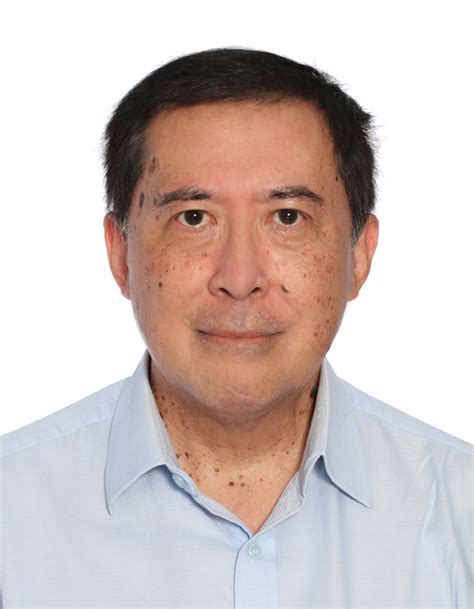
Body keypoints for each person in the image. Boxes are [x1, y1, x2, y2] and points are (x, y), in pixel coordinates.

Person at [1, 48, 472, 608]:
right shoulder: (13, 515)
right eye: (194, 218)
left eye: (288, 217)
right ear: (121, 253)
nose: (240, 278)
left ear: (360, 254)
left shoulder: (459, 512)